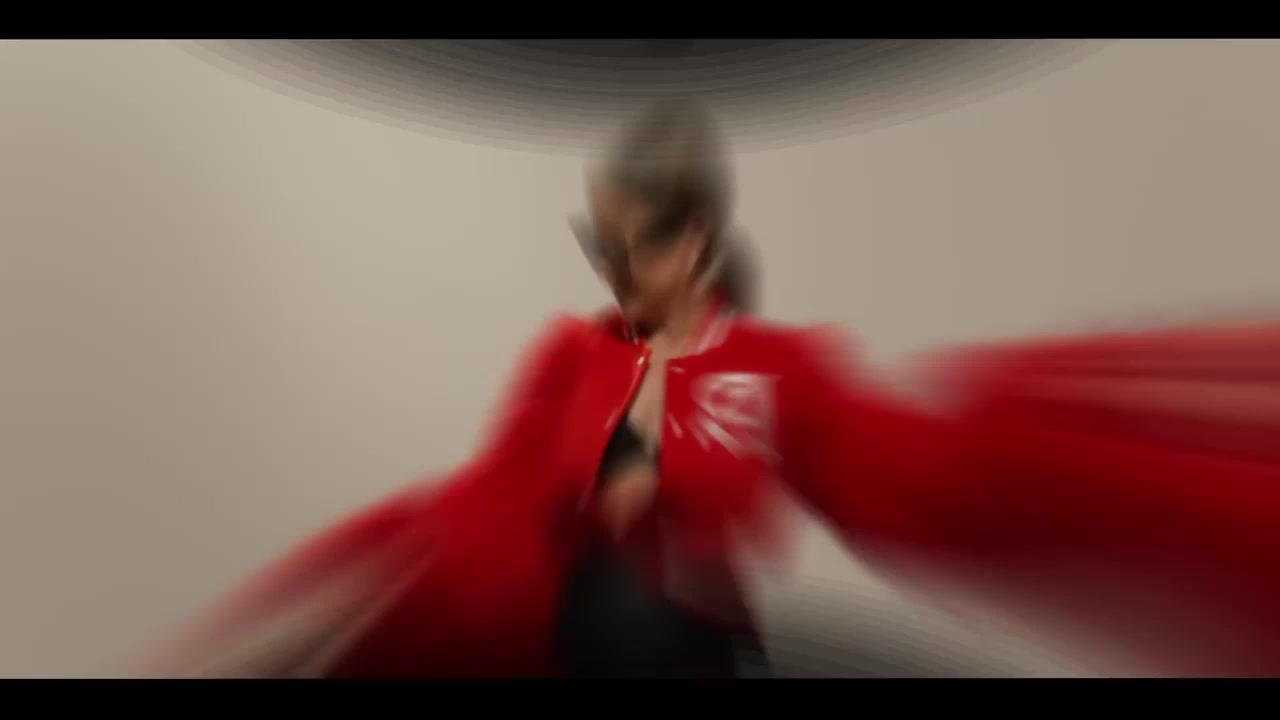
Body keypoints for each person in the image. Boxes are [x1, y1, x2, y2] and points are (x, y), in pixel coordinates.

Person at [141, 100, 1280, 678]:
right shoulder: (568, 358)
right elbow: (481, 506)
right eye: (599, 242)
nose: (608, 267)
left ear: (690, 243)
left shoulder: (779, 371)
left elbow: (913, 475)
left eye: (629, 243)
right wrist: (333, 604)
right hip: (568, 656)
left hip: (696, 656)